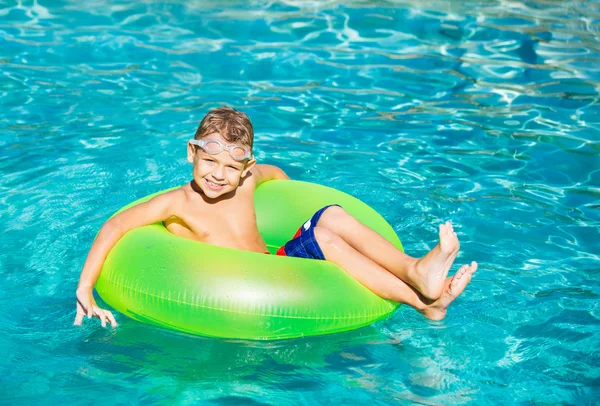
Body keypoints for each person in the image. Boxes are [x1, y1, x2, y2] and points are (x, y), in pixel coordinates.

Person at [74, 106, 478, 328]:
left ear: (245, 167)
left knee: (331, 215)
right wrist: (86, 288)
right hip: (235, 290)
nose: (218, 174)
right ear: (191, 154)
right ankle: (421, 302)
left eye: (231, 168)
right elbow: (116, 225)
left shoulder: (249, 182)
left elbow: (282, 182)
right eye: (209, 161)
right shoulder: (177, 203)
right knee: (326, 240)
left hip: (279, 266)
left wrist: (294, 202)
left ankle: (416, 270)